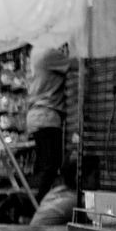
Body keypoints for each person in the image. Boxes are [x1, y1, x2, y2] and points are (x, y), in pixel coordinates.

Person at [26, 44, 72, 203]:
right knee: (51, 165)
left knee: (44, 164)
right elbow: (75, 65)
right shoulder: (48, 53)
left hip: (38, 115)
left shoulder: (36, 51)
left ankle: (35, 202)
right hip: (47, 115)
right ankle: (37, 204)